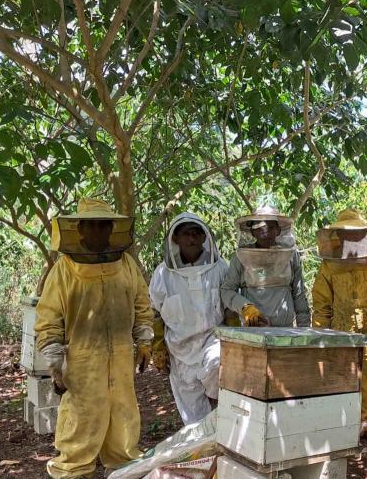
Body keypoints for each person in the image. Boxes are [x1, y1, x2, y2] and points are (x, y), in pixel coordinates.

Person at [35, 199, 153, 479]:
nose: (98, 231)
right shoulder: (64, 269)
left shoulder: (126, 264)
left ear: (112, 229)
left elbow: (141, 304)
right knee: (81, 420)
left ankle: (123, 469)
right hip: (82, 362)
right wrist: (55, 363)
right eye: (92, 225)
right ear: (80, 229)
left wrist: (144, 340)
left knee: (123, 417)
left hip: (121, 358)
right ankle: (74, 472)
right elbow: (49, 318)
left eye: (104, 225)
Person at [312, 209, 367, 443]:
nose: (353, 237)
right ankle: (344, 421)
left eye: (357, 233)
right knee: (342, 372)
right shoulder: (330, 264)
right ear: (339, 236)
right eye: (347, 233)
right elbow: (322, 302)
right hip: (341, 326)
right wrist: (321, 332)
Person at [149, 213, 230, 425]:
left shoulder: (220, 268)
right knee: (194, 418)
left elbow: (230, 308)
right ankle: (203, 443)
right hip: (179, 349)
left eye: (196, 233)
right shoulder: (163, 274)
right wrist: (157, 345)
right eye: (186, 234)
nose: (192, 239)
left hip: (214, 339)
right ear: (175, 238)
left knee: (218, 370)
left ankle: (222, 426)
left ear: (204, 237)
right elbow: (155, 312)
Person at [221, 206, 310, 327]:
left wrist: (304, 328)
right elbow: (227, 290)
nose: (265, 231)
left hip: (285, 329)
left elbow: (298, 293)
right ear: (253, 232)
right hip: (253, 329)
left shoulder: (291, 255)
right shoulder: (241, 256)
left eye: (270, 227)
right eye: (259, 228)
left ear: (278, 230)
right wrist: (245, 307)